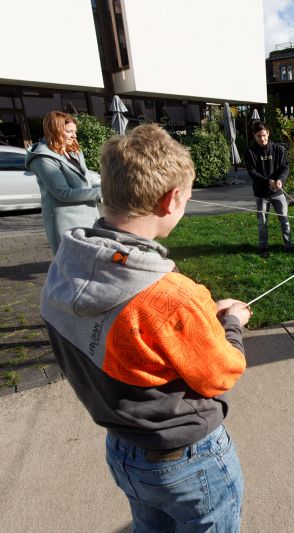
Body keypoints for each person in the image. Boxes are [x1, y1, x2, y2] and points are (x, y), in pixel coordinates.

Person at [40, 124, 252, 532]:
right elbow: (222, 373)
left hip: (124, 451)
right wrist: (232, 322)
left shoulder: (68, 263)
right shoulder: (171, 297)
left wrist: (196, 321)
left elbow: (134, 338)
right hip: (188, 463)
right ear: (171, 199)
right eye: (187, 199)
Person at [25, 111, 102, 252]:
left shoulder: (74, 151)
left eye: (75, 131)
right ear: (54, 130)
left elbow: (85, 178)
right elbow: (63, 193)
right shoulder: (43, 159)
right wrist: (103, 192)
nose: (74, 135)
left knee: (92, 262)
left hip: (89, 217)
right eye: (69, 131)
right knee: (71, 266)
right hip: (67, 223)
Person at [244, 121, 294, 258]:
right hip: (261, 194)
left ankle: (289, 245)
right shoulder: (250, 152)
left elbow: (285, 167)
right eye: (259, 136)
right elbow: (252, 172)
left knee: (285, 220)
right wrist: (268, 182)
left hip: (278, 193)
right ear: (254, 136)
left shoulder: (279, 149)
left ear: (268, 133)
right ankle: (263, 248)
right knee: (262, 223)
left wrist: (280, 180)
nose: (262, 139)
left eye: (264, 135)